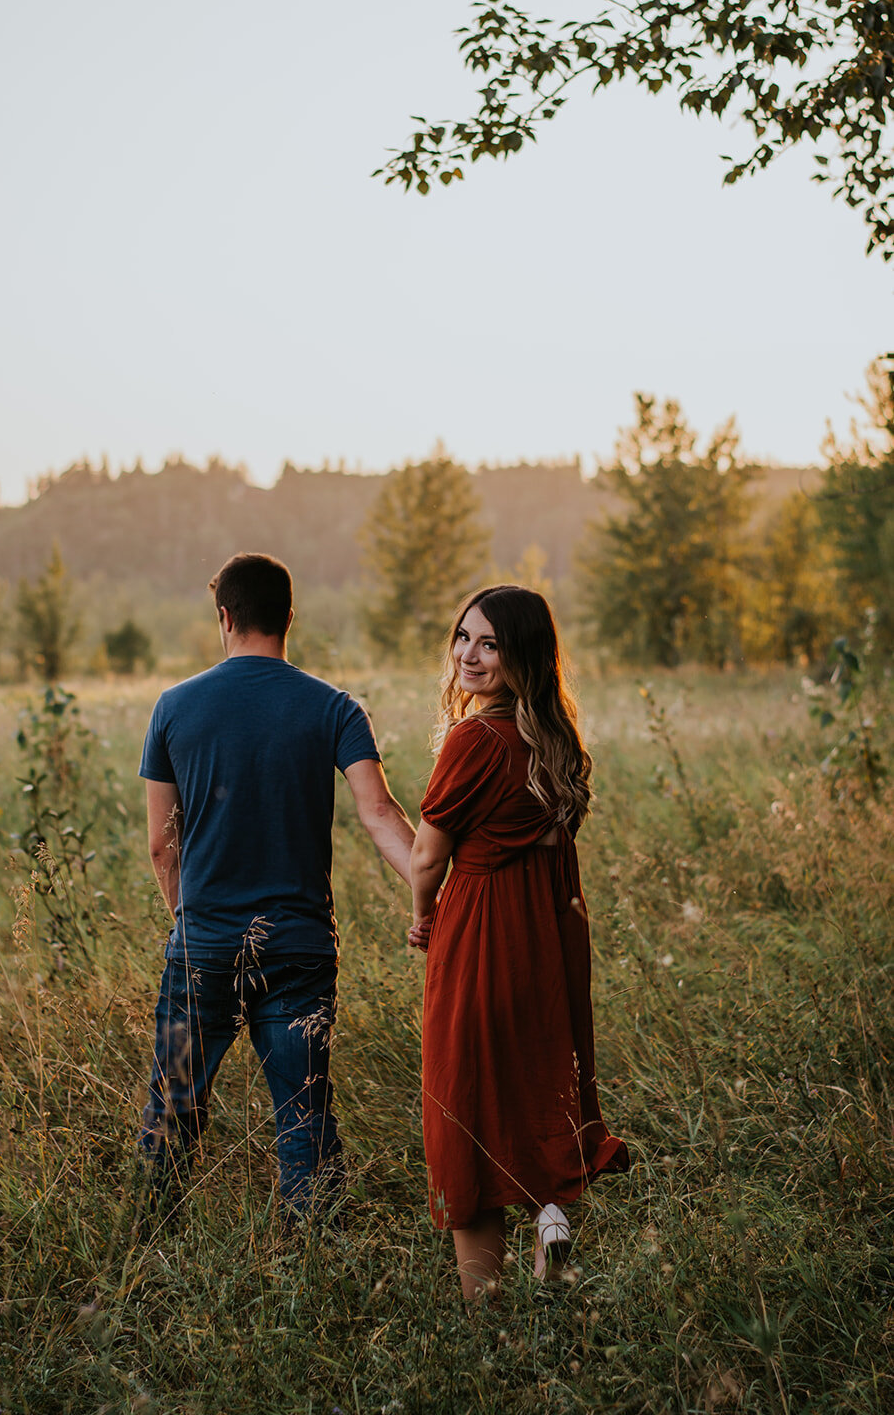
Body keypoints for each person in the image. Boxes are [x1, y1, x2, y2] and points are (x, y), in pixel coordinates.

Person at [138, 552, 415, 1225]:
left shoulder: (174, 707)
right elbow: (379, 814)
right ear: (289, 617)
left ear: (224, 617)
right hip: (298, 950)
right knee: (304, 1116)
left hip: (201, 945)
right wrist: (434, 896)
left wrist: (189, 920)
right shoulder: (335, 708)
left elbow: (159, 845)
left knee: (173, 1110)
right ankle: (315, 1263)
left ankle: (148, 1251)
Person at [408, 585, 628, 1299]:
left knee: (464, 1102)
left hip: (479, 938)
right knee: (536, 1085)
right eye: (463, 638)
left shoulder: (475, 738)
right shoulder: (554, 738)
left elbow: (425, 857)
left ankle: (486, 1308)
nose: (469, 655)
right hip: (546, 939)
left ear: (520, 655)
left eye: (489, 644)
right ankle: (552, 1220)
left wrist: (423, 914)